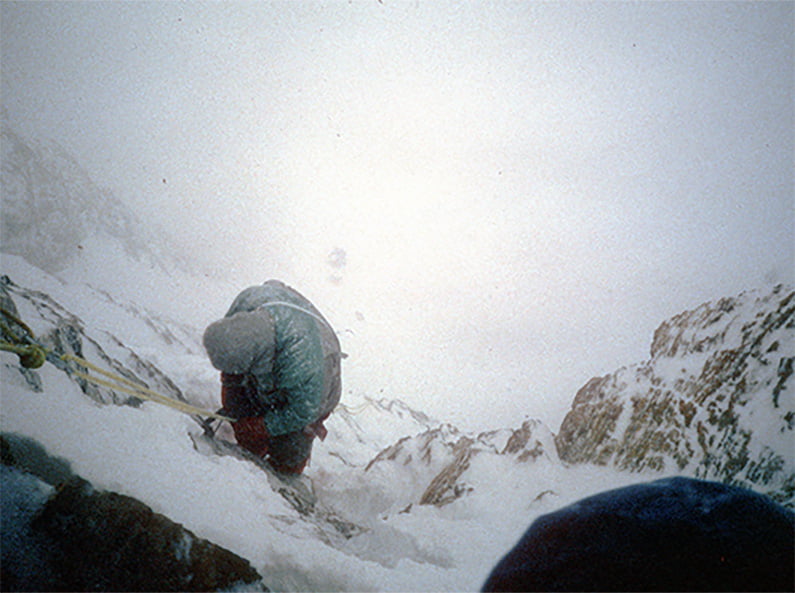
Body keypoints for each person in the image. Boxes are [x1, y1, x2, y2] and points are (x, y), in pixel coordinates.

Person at [203, 280, 341, 474]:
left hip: (316, 388)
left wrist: (261, 427)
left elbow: (303, 412)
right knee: (241, 411)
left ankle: (284, 473)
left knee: (289, 452)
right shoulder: (246, 303)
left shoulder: (305, 364)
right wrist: (234, 402)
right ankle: (250, 457)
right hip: (277, 349)